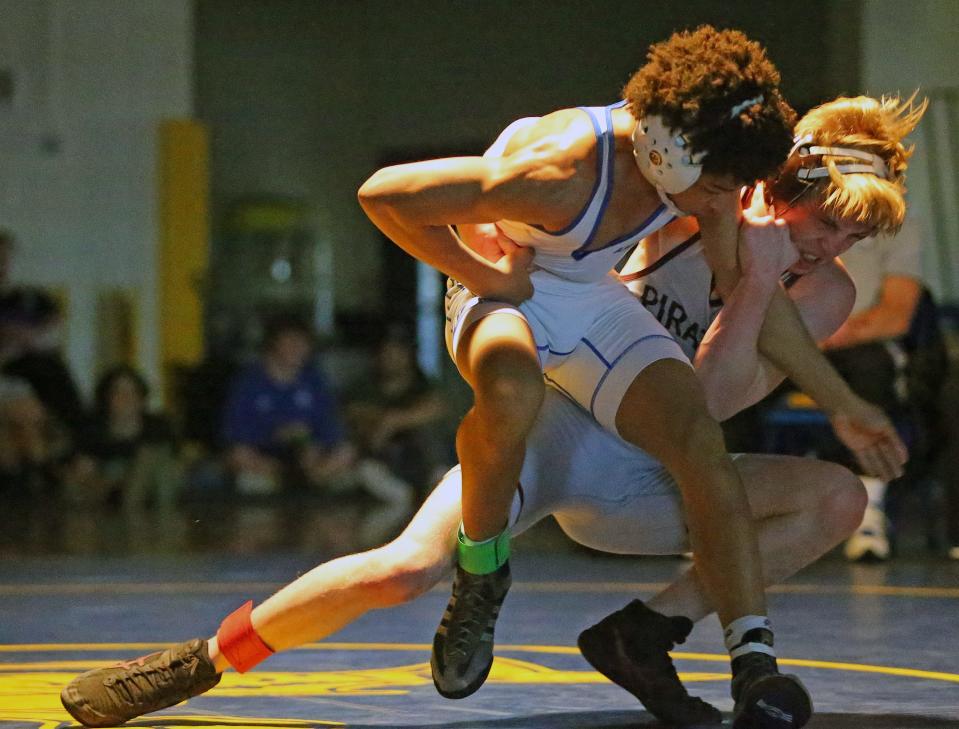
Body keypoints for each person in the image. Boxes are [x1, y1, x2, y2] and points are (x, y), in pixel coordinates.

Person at [358, 25, 799, 716]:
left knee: (696, 436)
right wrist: (480, 272)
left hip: (589, 290)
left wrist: (746, 245)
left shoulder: (686, 163)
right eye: (717, 186)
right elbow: (383, 193)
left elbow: (725, 264)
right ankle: (481, 573)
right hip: (509, 279)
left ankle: (753, 659)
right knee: (510, 391)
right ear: (669, 152)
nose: (722, 199)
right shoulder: (558, 170)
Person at [222, 312, 413, 509]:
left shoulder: (314, 381)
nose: (298, 349)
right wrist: (277, 437)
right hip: (266, 460)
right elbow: (235, 438)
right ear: (273, 344)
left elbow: (331, 427)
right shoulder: (249, 383)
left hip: (313, 462)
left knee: (346, 453)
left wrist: (312, 447)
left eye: (303, 343)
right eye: (291, 342)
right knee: (242, 464)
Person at [346, 325, 450, 496]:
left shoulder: (421, 385)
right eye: (386, 352)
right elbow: (356, 412)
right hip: (381, 462)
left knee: (427, 432)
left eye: (398, 351)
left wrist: (394, 421)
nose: (391, 358)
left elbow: (438, 407)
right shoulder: (365, 386)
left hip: (420, 463)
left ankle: (436, 482)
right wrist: (386, 421)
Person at [61, 365, 181, 509]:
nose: (126, 398)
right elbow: (82, 468)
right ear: (107, 398)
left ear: (141, 398)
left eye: (132, 392)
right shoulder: (93, 431)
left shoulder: (158, 427)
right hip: (109, 490)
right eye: (118, 392)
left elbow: (171, 458)